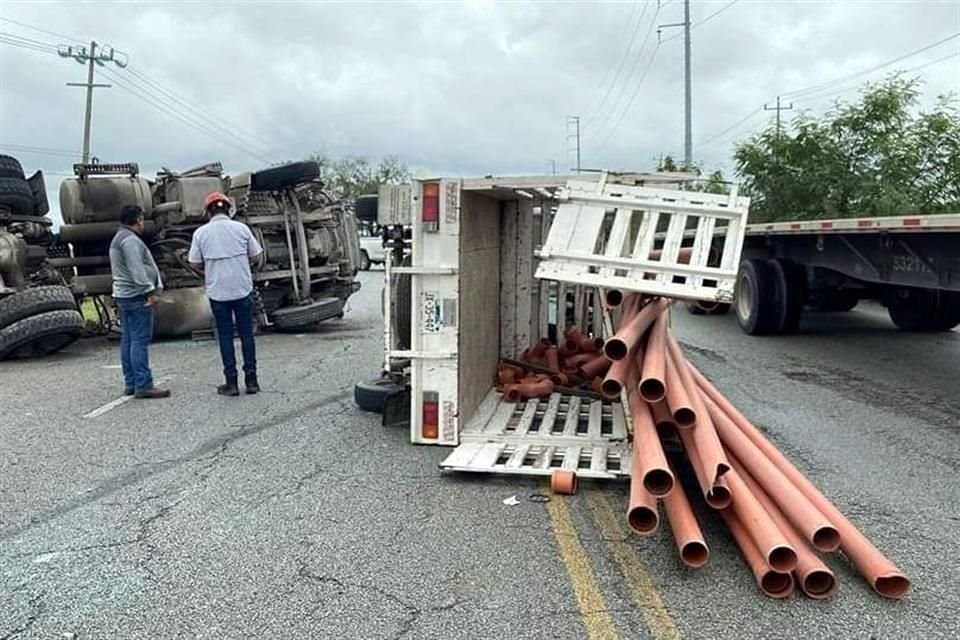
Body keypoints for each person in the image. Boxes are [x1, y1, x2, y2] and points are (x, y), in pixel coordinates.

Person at [188, 191, 264, 396]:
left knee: (225, 337)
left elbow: (194, 262)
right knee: (247, 334)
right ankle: (252, 381)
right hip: (242, 289)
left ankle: (231, 384)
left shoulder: (201, 233)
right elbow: (257, 255)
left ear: (208, 212)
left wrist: (208, 270)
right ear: (229, 209)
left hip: (218, 292)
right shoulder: (241, 229)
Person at [109, 205, 170, 399]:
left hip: (124, 295)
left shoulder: (119, 238)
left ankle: (131, 382)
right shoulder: (130, 240)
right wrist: (149, 291)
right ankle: (143, 384)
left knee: (128, 340)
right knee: (139, 341)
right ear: (138, 219)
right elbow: (136, 269)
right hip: (136, 296)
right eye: (142, 219)